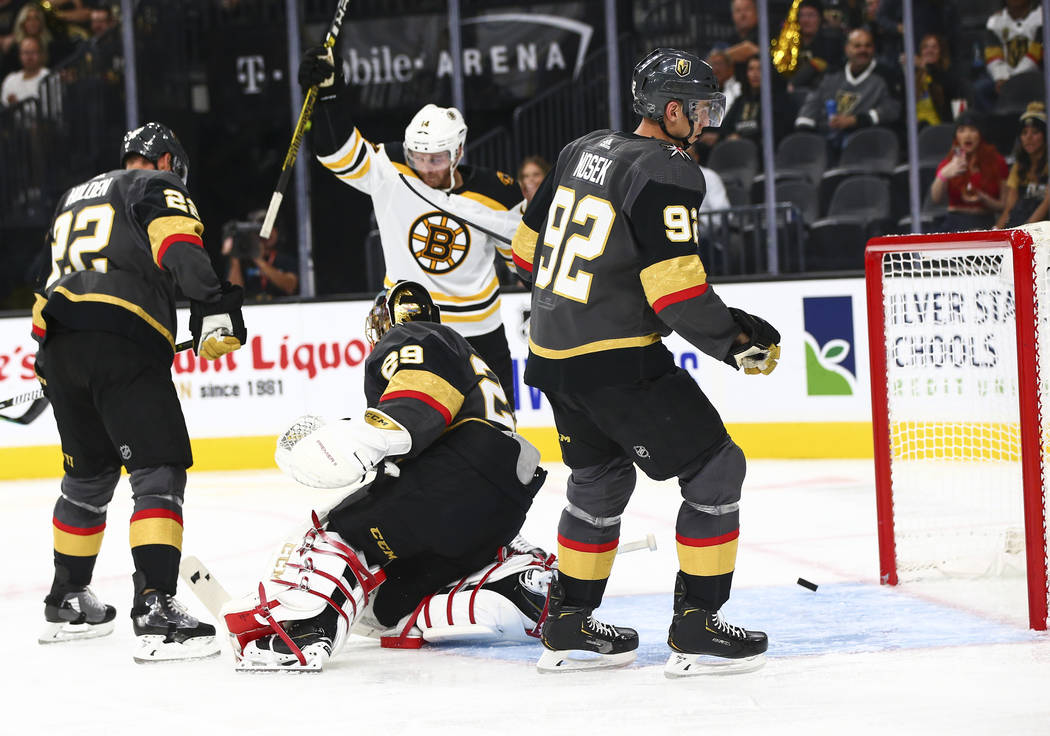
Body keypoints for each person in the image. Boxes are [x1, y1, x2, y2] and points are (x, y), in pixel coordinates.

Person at [511, 48, 780, 677]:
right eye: (702, 108)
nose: (708, 119)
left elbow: (524, 254)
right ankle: (698, 628)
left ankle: (570, 623)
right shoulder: (668, 171)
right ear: (672, 109)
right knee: (717, 468)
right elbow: (676, 291)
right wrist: (737, 340)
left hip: (553, 357)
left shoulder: (579, 150)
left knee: (600, 480)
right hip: (616, 360)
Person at [221, 281, 549, 670]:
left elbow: (418, 404)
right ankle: (510, 583)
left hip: (456, 476)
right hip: (502, 510)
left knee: (336, 531)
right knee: (391, 604)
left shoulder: (417, 335)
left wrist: (365, 435)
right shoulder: (468, 355)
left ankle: (306, 631)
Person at [32, 121, 247, 662]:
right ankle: (155, 608)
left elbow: (45, 288)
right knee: (158, 470)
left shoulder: (70, 199)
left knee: (88, 475)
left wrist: (44, 362)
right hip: (122, 340)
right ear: (168, 161)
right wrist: (214, 305)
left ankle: (67, 600)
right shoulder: (152, 186)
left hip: (60, 347)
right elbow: (177, 242)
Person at [297, 47, 524, 406]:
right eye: (418, 157)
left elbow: (522, 262)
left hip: (480, 332)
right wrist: (329, 94)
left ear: (459, 151)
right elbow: (336, 154)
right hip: (409, 326)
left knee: (499, 429)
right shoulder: (391, 169)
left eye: (436, 159)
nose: (425, 167)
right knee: (405, 426)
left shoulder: (499, 192)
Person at [794, 27, 902, 159]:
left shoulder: (886, 76)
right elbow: (812, 104)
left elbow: (892, 109)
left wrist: (855, 120)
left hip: (866, 140)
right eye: (857, 46)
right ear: (847, 49)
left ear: (873, 49)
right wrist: (804, 132)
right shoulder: (832, 74)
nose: (863, 50)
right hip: (826, 137)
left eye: (868, 46)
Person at [930, 112, 1009, 231]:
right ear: (956, 136)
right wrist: (943, 175)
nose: (967, 135)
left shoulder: (998, 162)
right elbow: (936, 199)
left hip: (985, 222)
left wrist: (984, 199)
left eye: (972, 130)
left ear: (980, 134)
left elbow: (1004, 205)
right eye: (962, 130)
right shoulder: (949, 163)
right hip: (954, 222)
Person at [976, 0, 1043, 112]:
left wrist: (1013, 81)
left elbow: (1036, 54)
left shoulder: (1042, 17)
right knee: (981, 89)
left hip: (1035, 74)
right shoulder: (995, 21)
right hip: (1004, 77)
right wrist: (1001, 77)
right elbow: (993, 56)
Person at [222, 209, 299, 300]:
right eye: (260, 228)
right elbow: (233, 294)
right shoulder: (242, 260)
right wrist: (235, 255)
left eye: (271, 227)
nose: (267, 232)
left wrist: (258, 259)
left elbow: (290, 287)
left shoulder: (285, 258)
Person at [995, 102, 1049, 229]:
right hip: (1020, 228)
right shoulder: (1018, 167)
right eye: (1024, 133)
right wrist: (995, 231)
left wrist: (1024, 231)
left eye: (1035, 132)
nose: (1028, 138)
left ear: (1046, 136)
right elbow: (1009, 208)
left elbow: (1047, 203)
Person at [912, 33, 967, 128]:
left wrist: (927, 67)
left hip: (940, 129)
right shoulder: (913, 77)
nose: (929, 51)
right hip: (916, 129)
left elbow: (949, 89)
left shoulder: (949, 75)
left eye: (934, 47)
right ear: (920, 52)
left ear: (940, 52)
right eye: (925, 47)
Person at [1, 34, 46, 105]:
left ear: (41, 54)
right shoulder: (10, 80)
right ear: (20, 55)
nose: (29, 57)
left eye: (33, 52)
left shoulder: (49, 77)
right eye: (25, 53)